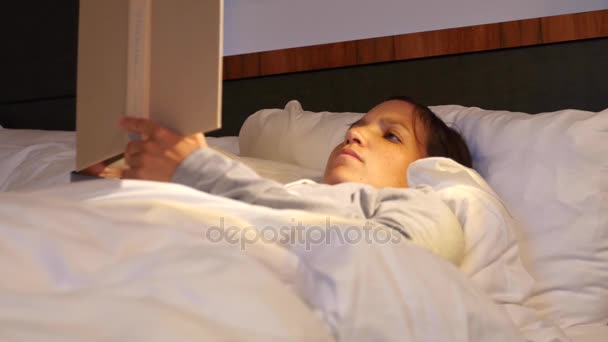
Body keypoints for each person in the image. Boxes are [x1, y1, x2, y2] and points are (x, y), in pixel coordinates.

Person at [101, 97, 473, 263]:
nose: (354, 136)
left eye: (391, 135)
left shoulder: (424, 205)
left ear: (426, 168)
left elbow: (393, 260)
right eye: (355, 129)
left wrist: (199, 169)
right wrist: (111, 187)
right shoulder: (286, 191)